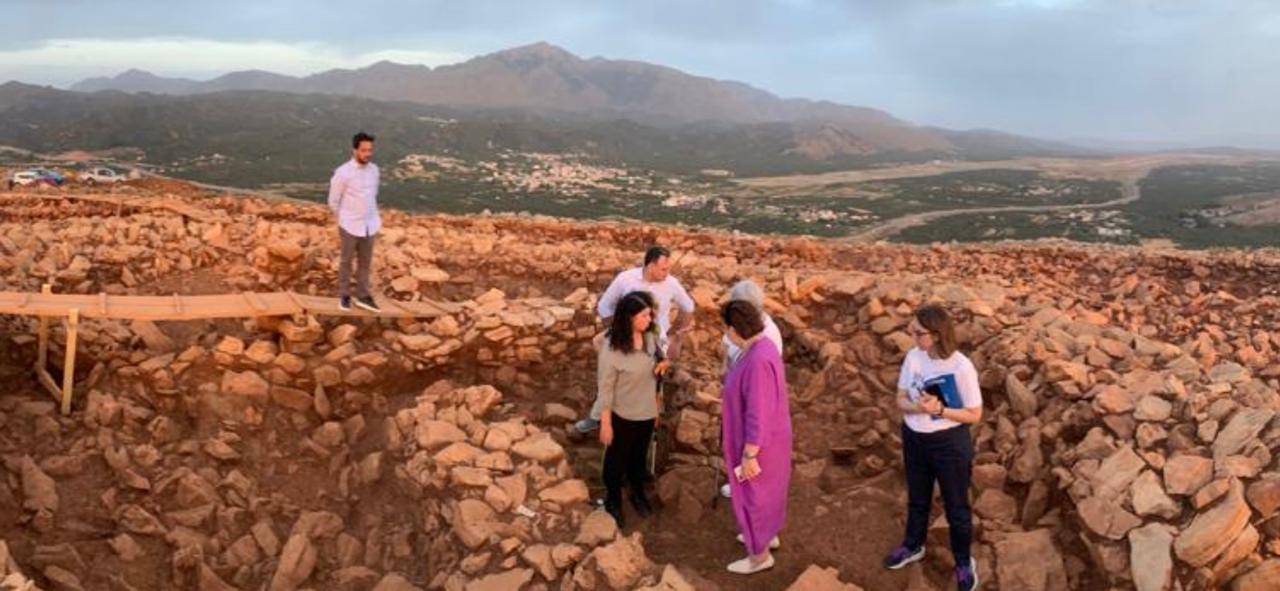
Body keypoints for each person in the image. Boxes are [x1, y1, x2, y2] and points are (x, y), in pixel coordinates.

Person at [882, 304, 984, 591]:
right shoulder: (914, 356)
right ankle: (913, 545)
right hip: (915, 438)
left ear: (937, 335)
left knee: (956, 507)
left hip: (949, 444)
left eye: (918, 332)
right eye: (911, 330)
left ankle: (964, 562)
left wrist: (940, 410)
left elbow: (975, 414)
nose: (913, 337)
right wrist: (918, 407)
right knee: (918, 498)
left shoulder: (961, 366)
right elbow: (900, 398)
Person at [572, 246, 694, 435]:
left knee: (649, 377)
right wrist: (615, 331)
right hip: (625, 334)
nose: (667, 273)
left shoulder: (671, 283)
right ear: (651, 265)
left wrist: (676, 335)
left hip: (655, 337)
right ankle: (597, 417)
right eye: (663, 269)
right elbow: (605, 306)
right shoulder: (626, 279)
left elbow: (688, 307)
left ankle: (650, 420)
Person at [720, 300, 791, 575]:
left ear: (735, 329)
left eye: (726, 328)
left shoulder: (758, 360)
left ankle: (759, 556)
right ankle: (765, 535)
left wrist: (749, 453)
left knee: (752, 494)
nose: (725, 334)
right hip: (770, 440)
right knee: (768, 491)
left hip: (756, 445)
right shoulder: (763, 347)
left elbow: (757, 411)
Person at [598, 292, 669, 528]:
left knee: (639, 457)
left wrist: (663, 364)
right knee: (616, 461)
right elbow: (605, 389)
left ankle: (637, 492)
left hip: (647, 413)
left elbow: (660, 363)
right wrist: (606, 424)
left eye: (650, 314)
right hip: (622, 415)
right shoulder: (612, 350)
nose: (649, 319)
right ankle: (613, 499)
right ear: (629, 318)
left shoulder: (649, 340)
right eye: (644, 315)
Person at [719, 279, 784, 499]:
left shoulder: (768, 337)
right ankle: (739, 481)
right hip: (737, 396)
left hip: (749, 400)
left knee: (751, 446)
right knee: (735, 441)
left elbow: (759, 396)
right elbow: (727, 355)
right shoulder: (740, 327)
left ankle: (751, 493)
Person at [328, 131, 382, 313]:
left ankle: (363, 296)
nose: (367, 154)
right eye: (364, 150)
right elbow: (333, 201)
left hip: (370, 224)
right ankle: (344, 295)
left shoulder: (374, 170)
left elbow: (373, 195)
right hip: (350, 224)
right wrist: (344, 218)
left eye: (370, 150)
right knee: (346, 261)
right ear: (355, 150)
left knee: (365, 262)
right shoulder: (343, 173)